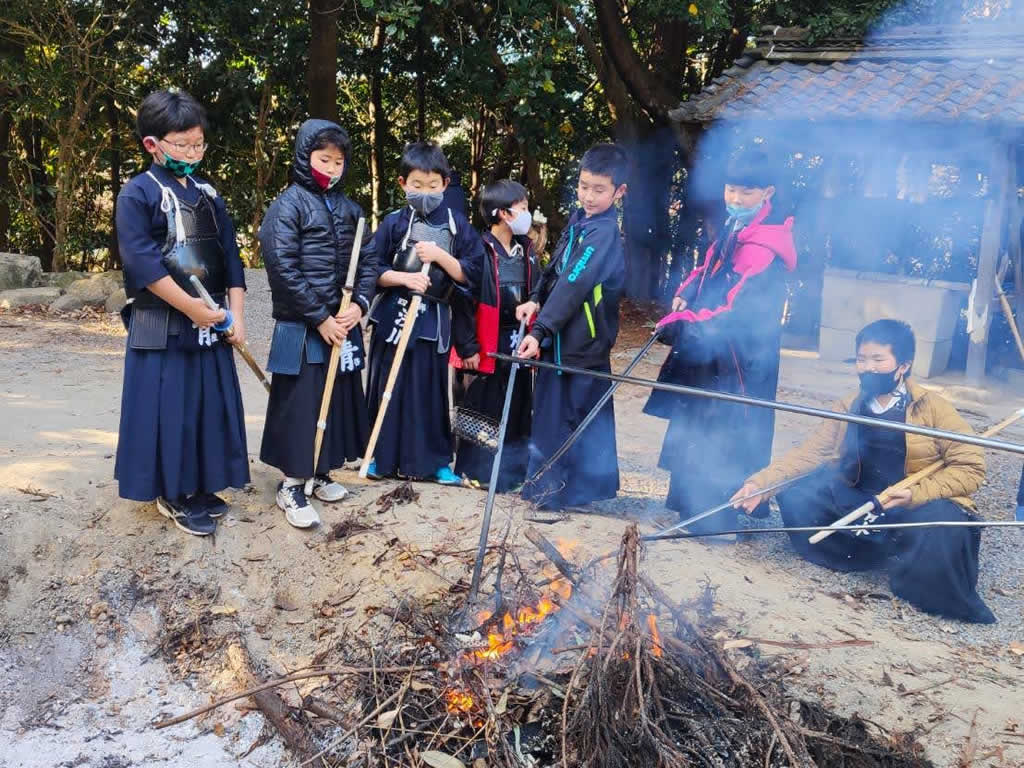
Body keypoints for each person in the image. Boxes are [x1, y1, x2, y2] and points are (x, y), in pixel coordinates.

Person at [733, 320, 995, 624]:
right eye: (861, 359)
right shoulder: (849, 404)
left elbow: (971, 468)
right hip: (864, 496)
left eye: (878, 360)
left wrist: (915, 493)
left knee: (945, 522)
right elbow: (810, 453)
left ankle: (920, 580)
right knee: (800, 493)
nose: (867, 367)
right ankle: (867, 554)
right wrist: (763, 483)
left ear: (903, 365)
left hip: (911, 501)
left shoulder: (932, 407)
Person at [114, 89, 250, 536]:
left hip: (210, 320)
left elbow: (231, 257)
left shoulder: (210, 196)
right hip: (163, 323)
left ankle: (203, 484)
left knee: (207, 407)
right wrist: (192, 308)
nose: (193, 153)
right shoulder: (137, 195)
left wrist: (236, 316)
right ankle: (171, 493)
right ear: (153, 145)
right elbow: (143, 264)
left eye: (198, 144)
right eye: (183, 144)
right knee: (168, 410)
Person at [645, 149, 796, 534]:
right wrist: (686, 291)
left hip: (740, 359)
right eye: (731, 189)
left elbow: (736, 310)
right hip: (711, 350)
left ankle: (714, 520)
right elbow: (708, 266)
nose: (736, 199)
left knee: (722, 433)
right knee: (695, 425)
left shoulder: (765, 246)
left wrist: (683, 323)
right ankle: (687, 507)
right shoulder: (735, 227)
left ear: (768, 193)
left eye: (746, 192)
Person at [258, 119, 378, 529]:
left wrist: (360, 305)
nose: (331, 167)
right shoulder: (287, 205)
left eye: (338, 161)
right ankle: (291, 484)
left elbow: (369, 262)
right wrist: (320, 317)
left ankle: (322, 471)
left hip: (341, 322)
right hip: (303, 324)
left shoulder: (351, 209)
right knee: (301, 403)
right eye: (323, 159)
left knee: (339, 399)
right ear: (305, 157)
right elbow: (282, 268)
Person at [516, 143, 628, 511]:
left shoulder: (604, 233)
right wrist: (534, 297)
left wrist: (540, 330)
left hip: (583, 344)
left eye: (599, 190)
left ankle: (557, 495)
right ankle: (549, 490)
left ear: (619, 192)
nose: (589, 196)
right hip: (560, 337)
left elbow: (575, 283)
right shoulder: (579, 222)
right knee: (551, 412)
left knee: (568, 417)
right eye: (583, 186)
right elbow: (555, 269)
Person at [364, 141, 484, 482]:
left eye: (433, 186)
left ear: (445, 184)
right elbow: (370, 268)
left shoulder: (457, 225)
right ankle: (379, 456)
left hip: (433, 319)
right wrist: (403, 277)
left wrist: (440, 256)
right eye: (417, 185)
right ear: (403, 184)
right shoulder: (392, 223)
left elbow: (473, 275)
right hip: (394, 316)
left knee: (429, 390)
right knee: (388, 384)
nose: (425, 192)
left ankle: (434, 462)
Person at [451, 180, 540, 490]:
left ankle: (512, 474)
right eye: (524, 208)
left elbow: (537, 289)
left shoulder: (527, 249)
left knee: (517, 402)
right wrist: (467, 346)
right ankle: (476, 472)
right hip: (486, 339)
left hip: (518, 335)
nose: (528, 214)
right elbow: (461, 300)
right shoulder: (479, 248)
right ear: (503, 213)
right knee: (482, 405)